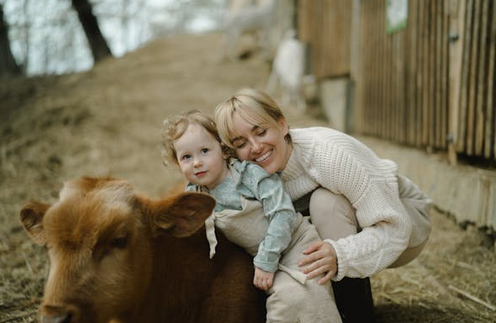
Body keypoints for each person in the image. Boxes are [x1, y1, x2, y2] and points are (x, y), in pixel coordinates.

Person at [214, 88, 433, 323]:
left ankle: (356, 315)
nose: (255, 147)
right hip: (347, 226)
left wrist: (340, 255)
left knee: (325, 204)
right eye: (241, 142)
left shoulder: (329, 154)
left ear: (283, 125)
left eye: (261, 132)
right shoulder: (245, 174)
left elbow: (395, 228)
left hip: (403, 222)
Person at [161, 110, 342, 323]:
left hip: (295, 244)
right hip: (261, 258)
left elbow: (283, 214)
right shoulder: (195, 196)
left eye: (204, 151)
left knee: (294, 300)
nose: (197, 163)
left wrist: (266, 261)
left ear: (222, 148)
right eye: (187, 157)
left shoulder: (248, 175)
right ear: (177, 163)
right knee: (280, 301)